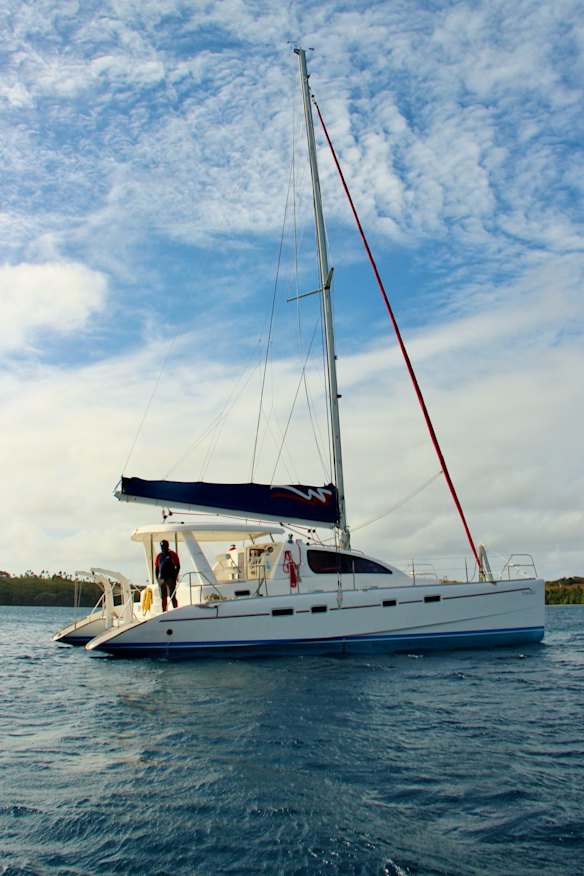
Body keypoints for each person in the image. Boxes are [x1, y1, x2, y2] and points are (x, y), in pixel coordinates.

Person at [155, 539, 180, 611]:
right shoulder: (159, 556)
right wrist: (157, 578)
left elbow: (177, 566)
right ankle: (164, 611)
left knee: (172, 596)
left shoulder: (172, 554)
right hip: (161, 579)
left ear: (167, 546)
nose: (163, 548)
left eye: (165, 546)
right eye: (162, 547)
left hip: (170, 578)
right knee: (163, 597)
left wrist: (175, 576)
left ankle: (176, 610)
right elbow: (157, 567)